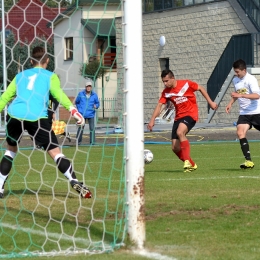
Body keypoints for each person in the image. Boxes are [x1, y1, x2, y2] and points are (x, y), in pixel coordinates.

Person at [0, 46, 92, 199]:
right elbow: (58, 95)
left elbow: (4, 98)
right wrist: (74, 111)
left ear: (30, 61)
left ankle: (0, 187)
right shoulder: (51, 76)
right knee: (55, 153)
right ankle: (74, 181)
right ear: (47, 61)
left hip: (14, 115)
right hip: (36, 117)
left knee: (10, 151)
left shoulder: (20, 76)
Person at [147, 69, 218, 172]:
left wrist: (210, 102)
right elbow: (159, 105)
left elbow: (201, 88)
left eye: (167, 81)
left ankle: (187, 162)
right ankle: (191, 164)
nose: (165, 83)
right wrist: (152, 120)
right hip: (178, 117)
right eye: (163, 81)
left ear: (173, 78)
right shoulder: (166, 92)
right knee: (175, 147)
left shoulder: (186, 84)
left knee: (180, 132)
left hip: (191, 114)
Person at [226, 59, 260, 169]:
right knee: (240, 133)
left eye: (237, 72)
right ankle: (248, 161)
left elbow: (256, 96)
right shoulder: (236, 80)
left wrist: (241, 96)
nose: (236, 74)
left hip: (256, 112)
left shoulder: (251, 79)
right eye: (234, 72)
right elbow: (238, 94)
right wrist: (230, 103)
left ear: (244, 70)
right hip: (244, 113)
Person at [75, 80, 100, 145]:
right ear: (85, 87)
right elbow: (77, 102)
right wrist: (79, 109)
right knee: (80, 128)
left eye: (90, 86)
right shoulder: (81, 94)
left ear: (91, 87)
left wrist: (96, 106)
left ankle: (92, 142)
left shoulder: (94, 95)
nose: (88, 88)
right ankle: (78, 142)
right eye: (87, 86)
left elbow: (97, 103)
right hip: (82, 114)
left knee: (92, 128)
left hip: (91, 114)